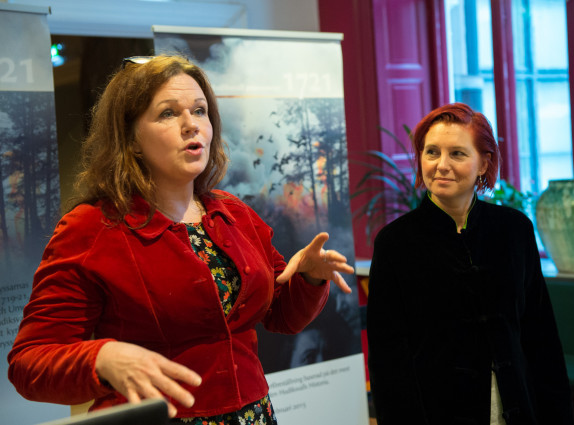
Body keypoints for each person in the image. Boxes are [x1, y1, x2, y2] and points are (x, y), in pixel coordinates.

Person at [7, 55, 354, 424]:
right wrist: (102, 358)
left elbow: (281, 315)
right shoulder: (92, 228)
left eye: (200, 111)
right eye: (168, 114)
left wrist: (310, 277)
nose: (192, 125)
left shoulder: (233, 213)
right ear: (132, 139)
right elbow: (30, 362)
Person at [366, 103, 574, 425]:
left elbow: (540, 336)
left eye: (457, 154)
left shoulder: (514, 229)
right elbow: (388, 361)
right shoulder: (395, 243)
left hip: (517, 407)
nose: (441, 165)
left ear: (483, 163)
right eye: (431, 152)